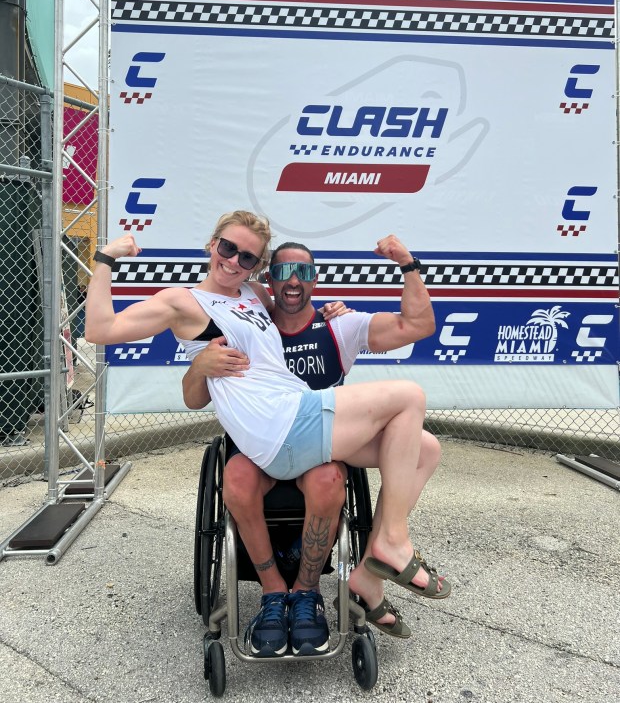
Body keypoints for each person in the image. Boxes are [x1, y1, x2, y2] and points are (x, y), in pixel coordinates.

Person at [85, 210, 451, 659]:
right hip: (277, 423)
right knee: (410, 395)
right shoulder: (183, 301)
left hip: (293, 416)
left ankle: (368, 575)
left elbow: (402, 323)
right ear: (211, 244)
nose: (234, 261)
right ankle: (390, 543)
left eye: (248, 257)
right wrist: (105, 259)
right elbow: (100, 330)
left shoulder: (252, 295)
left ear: (258, 268)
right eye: (227, 248)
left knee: (425, 448)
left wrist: (357, 295)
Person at [182, 235, 444, 655]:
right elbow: (196, 393)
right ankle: (272, 593)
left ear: (315, 280)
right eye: (283, 271)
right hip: (258, 446)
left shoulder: (339, 324)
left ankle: (322, 586)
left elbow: (418, 327)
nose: (293, 280)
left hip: (322, 446)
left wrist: (409, 265)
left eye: (303, 272)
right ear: (268, 279)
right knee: (236, 478)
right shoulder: (247, 322)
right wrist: (199, 364)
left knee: (423, 449)